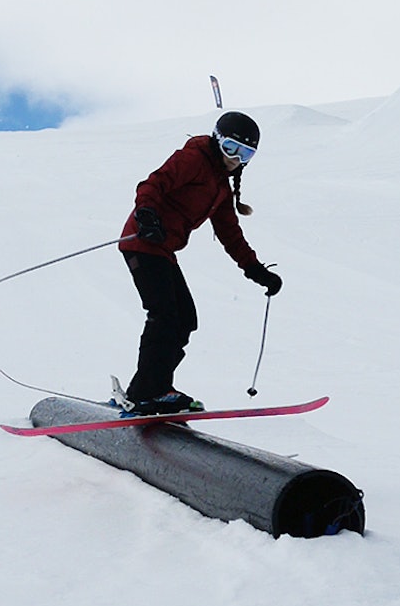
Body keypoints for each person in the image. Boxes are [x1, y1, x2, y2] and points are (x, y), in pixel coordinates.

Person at [117, 111, 282, 415]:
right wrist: (147, 215)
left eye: (246, 153)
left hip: (163, 250)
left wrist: (256, 270)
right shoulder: (194, 159)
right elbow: (152, 184)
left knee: (184, 320)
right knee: (165, 315)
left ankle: (153, 389)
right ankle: (145, 393)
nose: (236, 158)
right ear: (218, 140)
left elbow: (230, 234)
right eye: (231, 147)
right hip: (142, 242)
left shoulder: (221, 186)